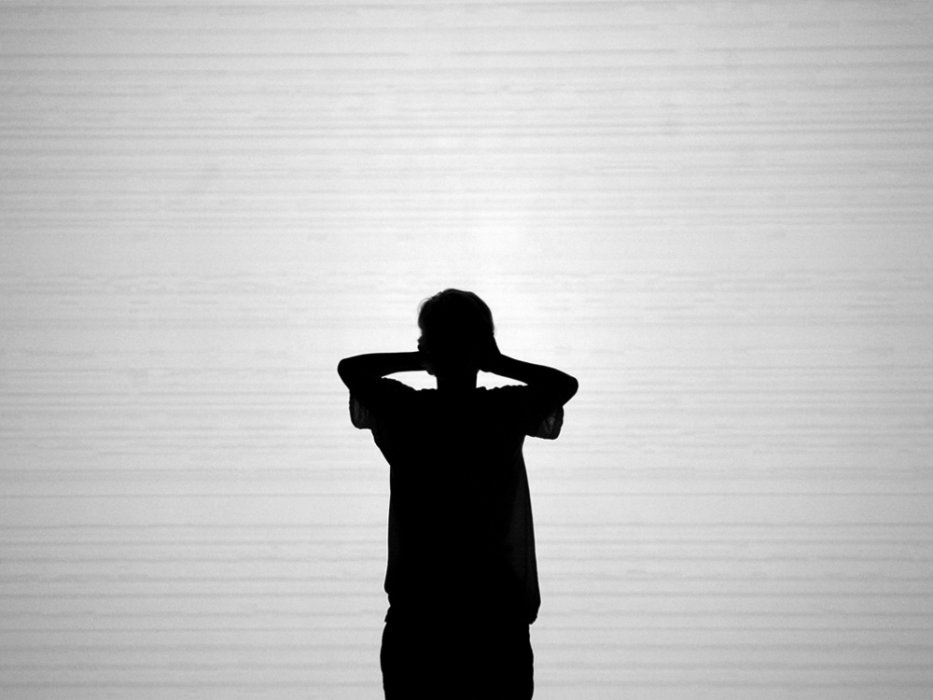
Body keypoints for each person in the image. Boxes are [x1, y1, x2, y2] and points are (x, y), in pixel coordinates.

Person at [337, 289, 578, 700]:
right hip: (485, 613)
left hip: (429, 611)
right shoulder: (500, 410)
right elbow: (561, 384)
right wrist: (491, 360)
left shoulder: (409, 411)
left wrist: (428, 357)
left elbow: (353, 370)